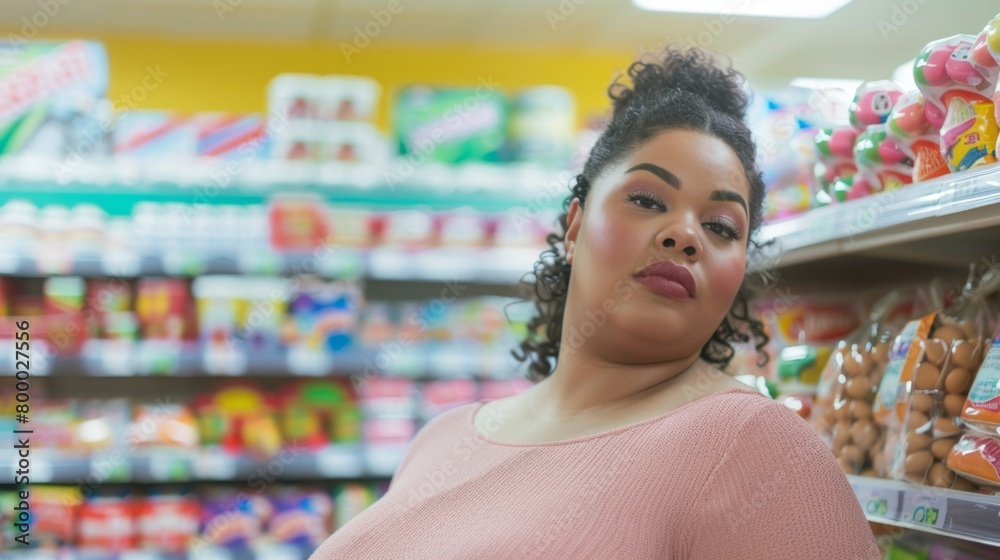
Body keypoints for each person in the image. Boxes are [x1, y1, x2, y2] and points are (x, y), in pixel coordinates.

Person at [311, 45, 881, 559]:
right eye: (646, 199)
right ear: (575, 226)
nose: (686, 234)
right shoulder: (441, 438)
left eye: (722, 226)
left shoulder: (752, 444)